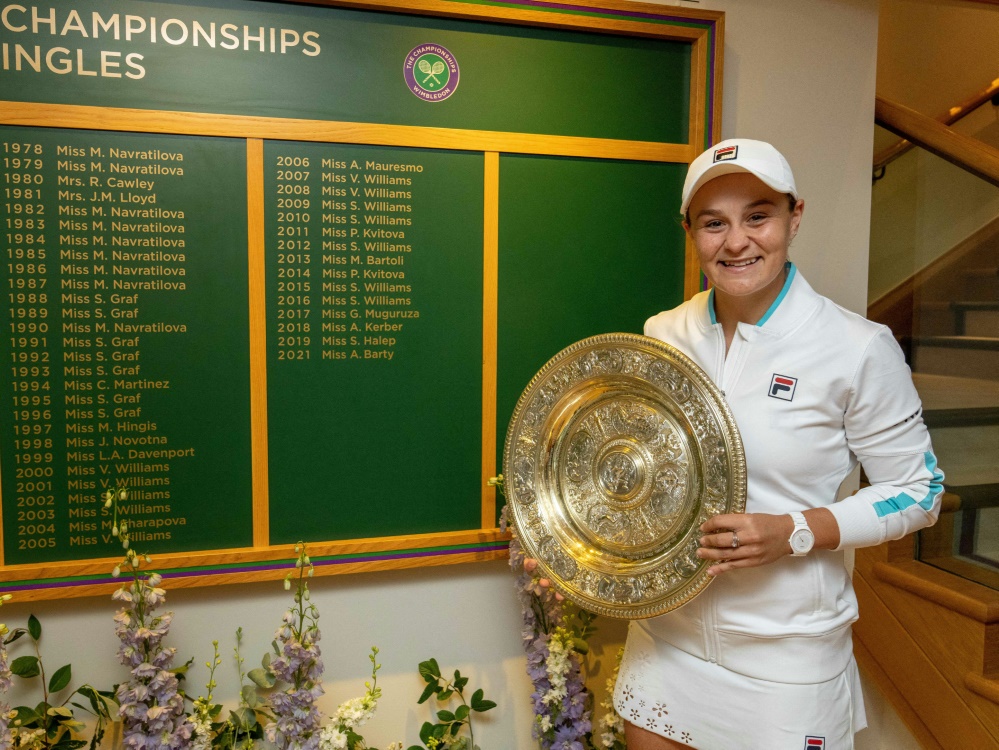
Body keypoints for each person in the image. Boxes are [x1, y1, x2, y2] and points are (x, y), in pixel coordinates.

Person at [603, 139, 943, 749]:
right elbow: (648, 475)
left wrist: (795, 530)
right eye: (714, 223)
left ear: (794, 216)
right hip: (665, 640)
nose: (736, 242)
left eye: (757, 216)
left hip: (787, 662)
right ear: (691, 232)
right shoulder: (663, 333)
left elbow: (920, 492)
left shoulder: (857, 347)